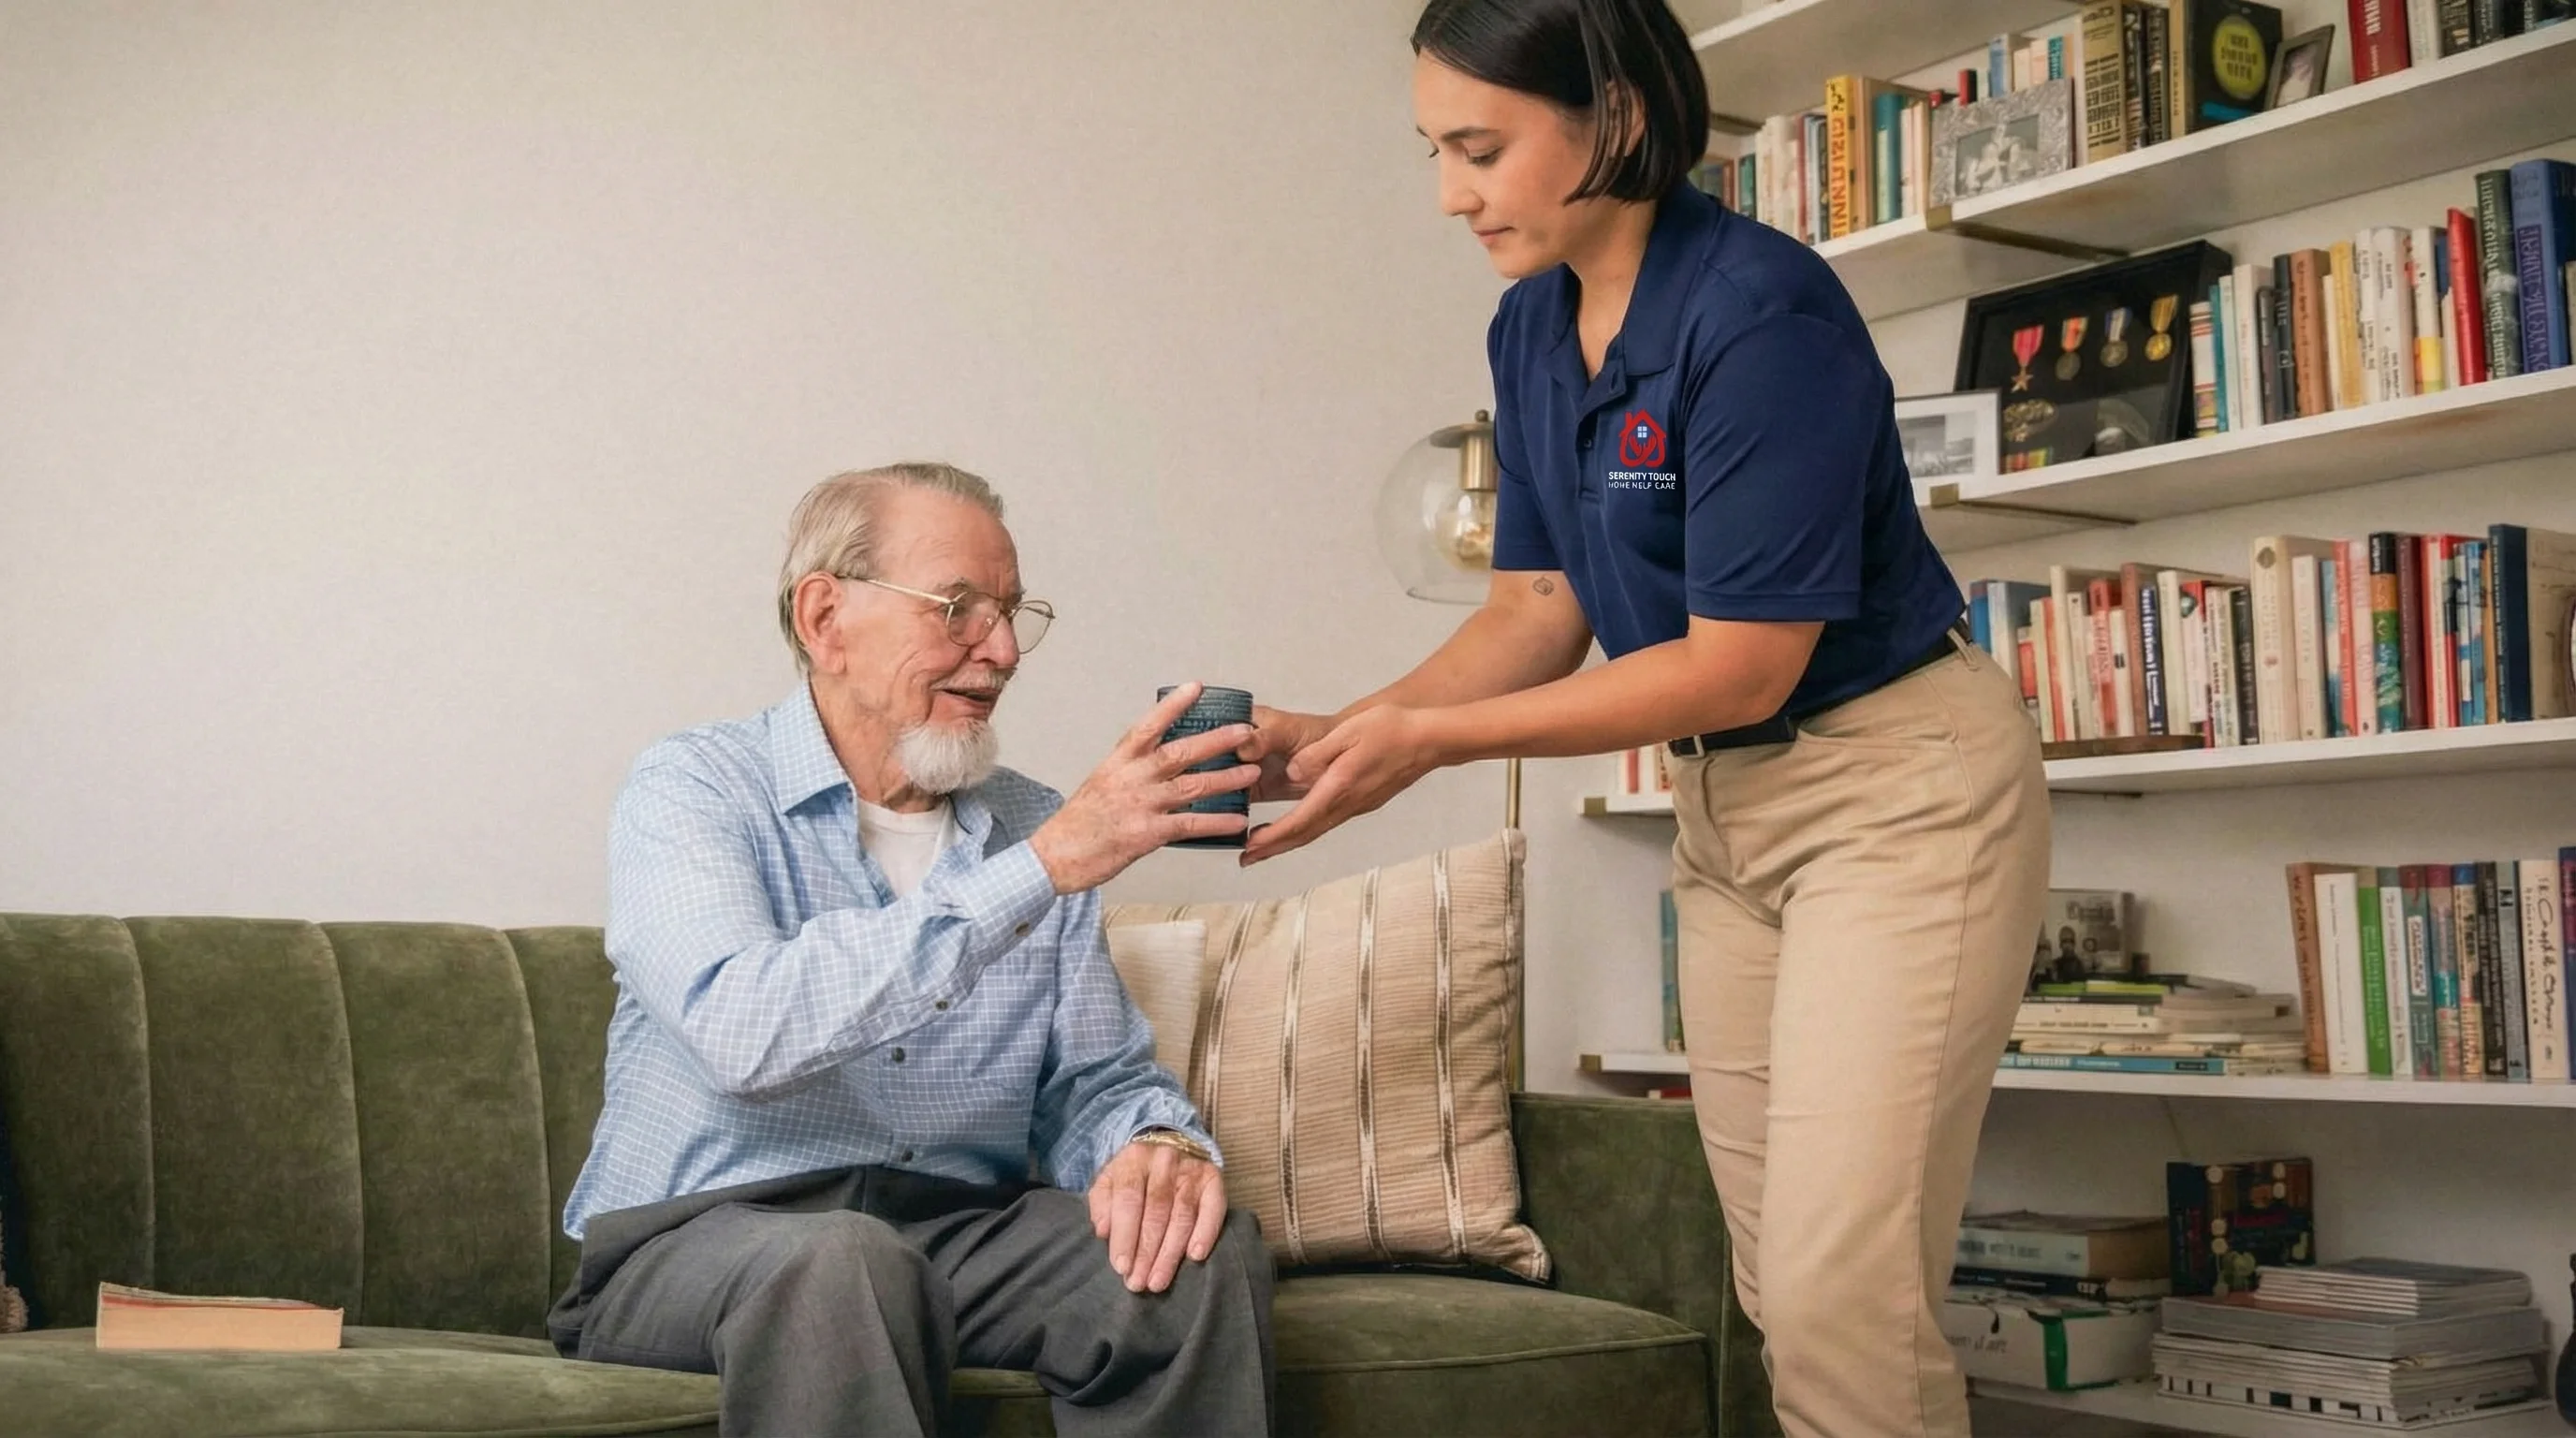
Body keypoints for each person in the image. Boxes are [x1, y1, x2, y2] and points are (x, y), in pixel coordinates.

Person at [1235, 3, 2050, 1434]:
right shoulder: (1530, 326)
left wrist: (1435, 744)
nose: (1450, 192)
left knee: (1838, 1290)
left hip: (1896, 793)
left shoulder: (1760, 316)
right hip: (1725, 817)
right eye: (1435, 150)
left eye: (1480, 148)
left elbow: (1743, 665)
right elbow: (1535, 610)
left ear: (1610, 114)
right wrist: (1344, 732)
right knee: (1768, 1274)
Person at [549, 463, 1275, 1438]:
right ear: (824, 619)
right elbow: (740, 1030)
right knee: (844, 1260)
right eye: (958, 608)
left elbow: (1092, 1084)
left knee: (1198, 1245)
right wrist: (1043, 868)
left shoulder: (1031, 821)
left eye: (1014, 612)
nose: (1004, 649)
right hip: (702, 1244)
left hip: (953, 1238)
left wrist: (1158, 1144)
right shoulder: (696, 788)